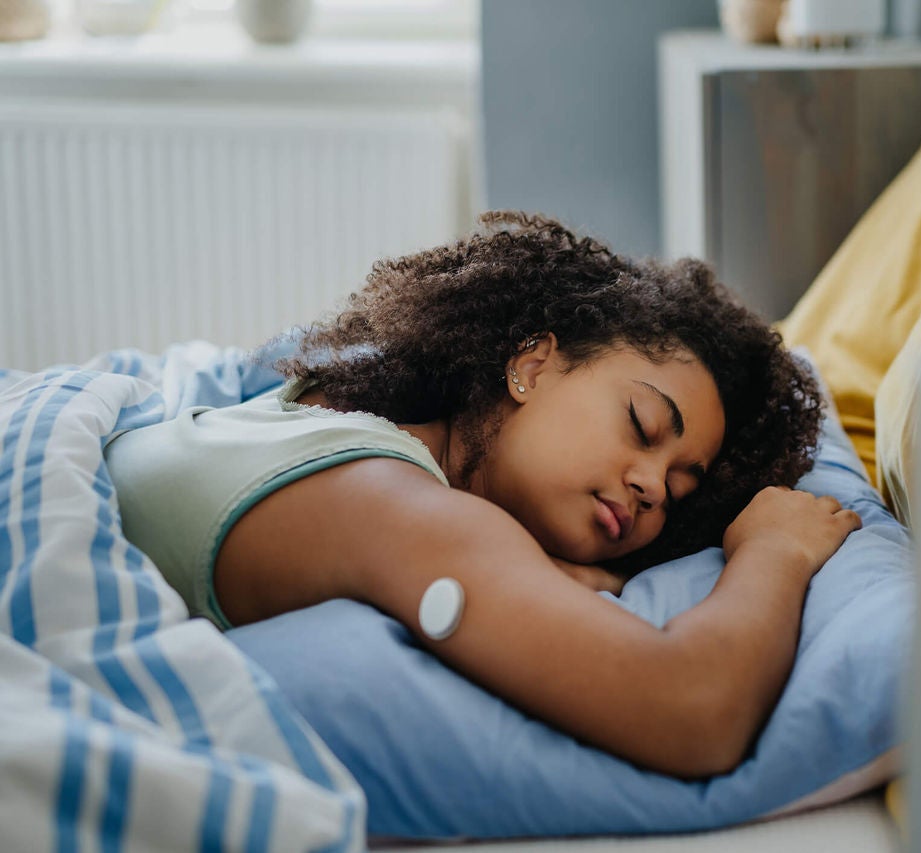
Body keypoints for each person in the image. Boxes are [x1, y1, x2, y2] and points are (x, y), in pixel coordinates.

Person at [105, 211, 862, 778]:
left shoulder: (341, 408)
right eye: (642, 423)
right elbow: (692, 712)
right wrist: (773, 550)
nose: (652, 485)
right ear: (532, 365)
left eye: (679, 485)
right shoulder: (395, 504)